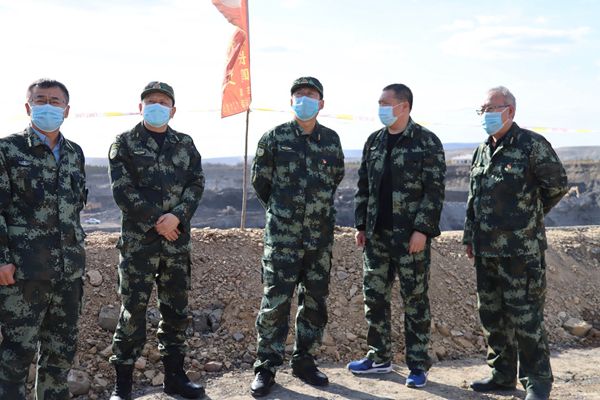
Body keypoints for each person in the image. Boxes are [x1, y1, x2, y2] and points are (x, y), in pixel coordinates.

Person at [463, 86, 568, 400]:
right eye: (482, 110)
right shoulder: (482, 150)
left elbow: (557, 186)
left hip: (521, 251)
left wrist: (528, 216)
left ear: (509, 111)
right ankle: (502, 375)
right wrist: (470, 237)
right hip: (486, 250)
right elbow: (474, 199)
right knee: (492, 315)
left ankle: (537, 382)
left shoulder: (532, 145)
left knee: (525, 317)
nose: (485, 115)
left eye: (490, 109)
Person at [108, 82, 205, 400]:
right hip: (140, 244)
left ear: (173, 110)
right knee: (132, 312)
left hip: (176, 242)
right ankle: (122, 385)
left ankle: (175, 378)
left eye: (163, 102)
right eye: (151, 101)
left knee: (176, 311)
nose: (157, 106)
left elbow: (196, 183)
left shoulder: (185, 144)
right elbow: (123, 191)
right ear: (141, 107)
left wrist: (177, 216)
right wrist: (157, 221)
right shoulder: (124, 143)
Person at [250, 77, 345, 397]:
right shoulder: (274, 138)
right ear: (291, 102)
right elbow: (261, 182)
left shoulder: (331, 140)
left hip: (319, 239)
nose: (304, 99)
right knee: (275, 302)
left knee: (314, 301)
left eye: (311, 94)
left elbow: (335, 178)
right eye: (299, 95)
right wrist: (284, 212)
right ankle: (266, 366)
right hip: (283, 238)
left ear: (321, 103)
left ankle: (305, 361)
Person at [347, 84, 446, 389]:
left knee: (414, 301)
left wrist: (422, 230)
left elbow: (434, 191)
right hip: (377, 236)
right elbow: (364, 187)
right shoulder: (374, 141)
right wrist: (361, 225)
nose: (380, 109)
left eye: (385, 103)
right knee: (375, 297)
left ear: (404, 106)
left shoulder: (426, 142)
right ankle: (379, 357)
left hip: (410, 238)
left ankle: (417, 365)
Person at [0, 79, 87, 399]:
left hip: (68, 272)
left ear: (66, 110)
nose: (48, 106)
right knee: (16, 353)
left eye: (55, 101)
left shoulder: (74, 153)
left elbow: (75, 206)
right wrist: (2, 259)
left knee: (60, 354)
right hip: (24, 272)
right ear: (28, 107)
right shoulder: (7, 150)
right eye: (41, 100)